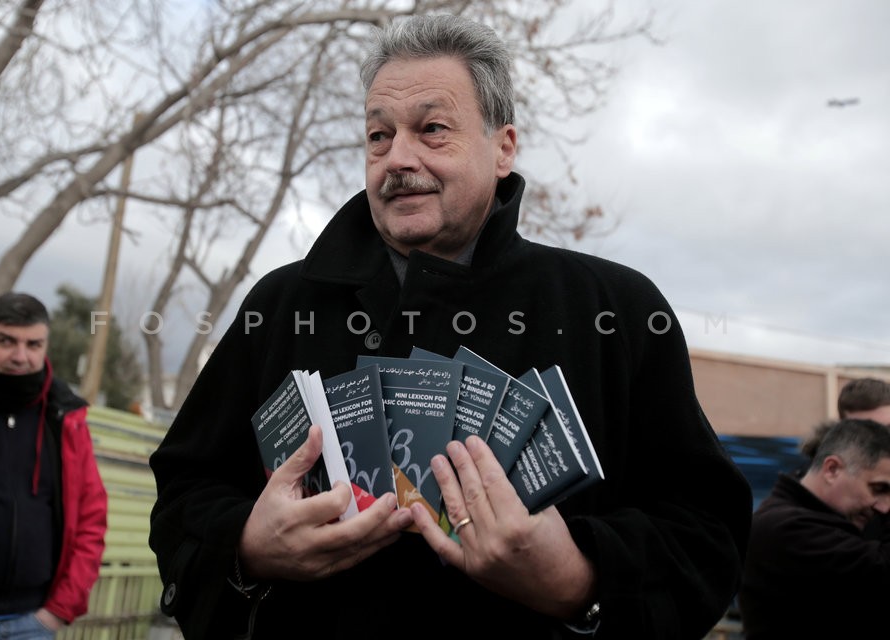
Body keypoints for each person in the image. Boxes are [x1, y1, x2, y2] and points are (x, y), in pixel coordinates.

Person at [148, 14, 752, 639]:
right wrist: (248, 546)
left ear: (503, 148)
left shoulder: (617, 310)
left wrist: (576, 577)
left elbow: (708, 532)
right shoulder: (278, 305)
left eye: (432, 130)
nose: (397, 159)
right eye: (378, 136)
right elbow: (183, 492)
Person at [0, 292, 108, 638]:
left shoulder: (65, 417)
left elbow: (91, 518)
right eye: (6, 341)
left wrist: (57, 611)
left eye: (33, 344)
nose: (20, 356)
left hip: (33, 624)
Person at [739, 418, 890, 638]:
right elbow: (882, 571)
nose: (884, 507)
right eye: (879, 488)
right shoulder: (786, 529)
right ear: (832, 469)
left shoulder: (791, 519)